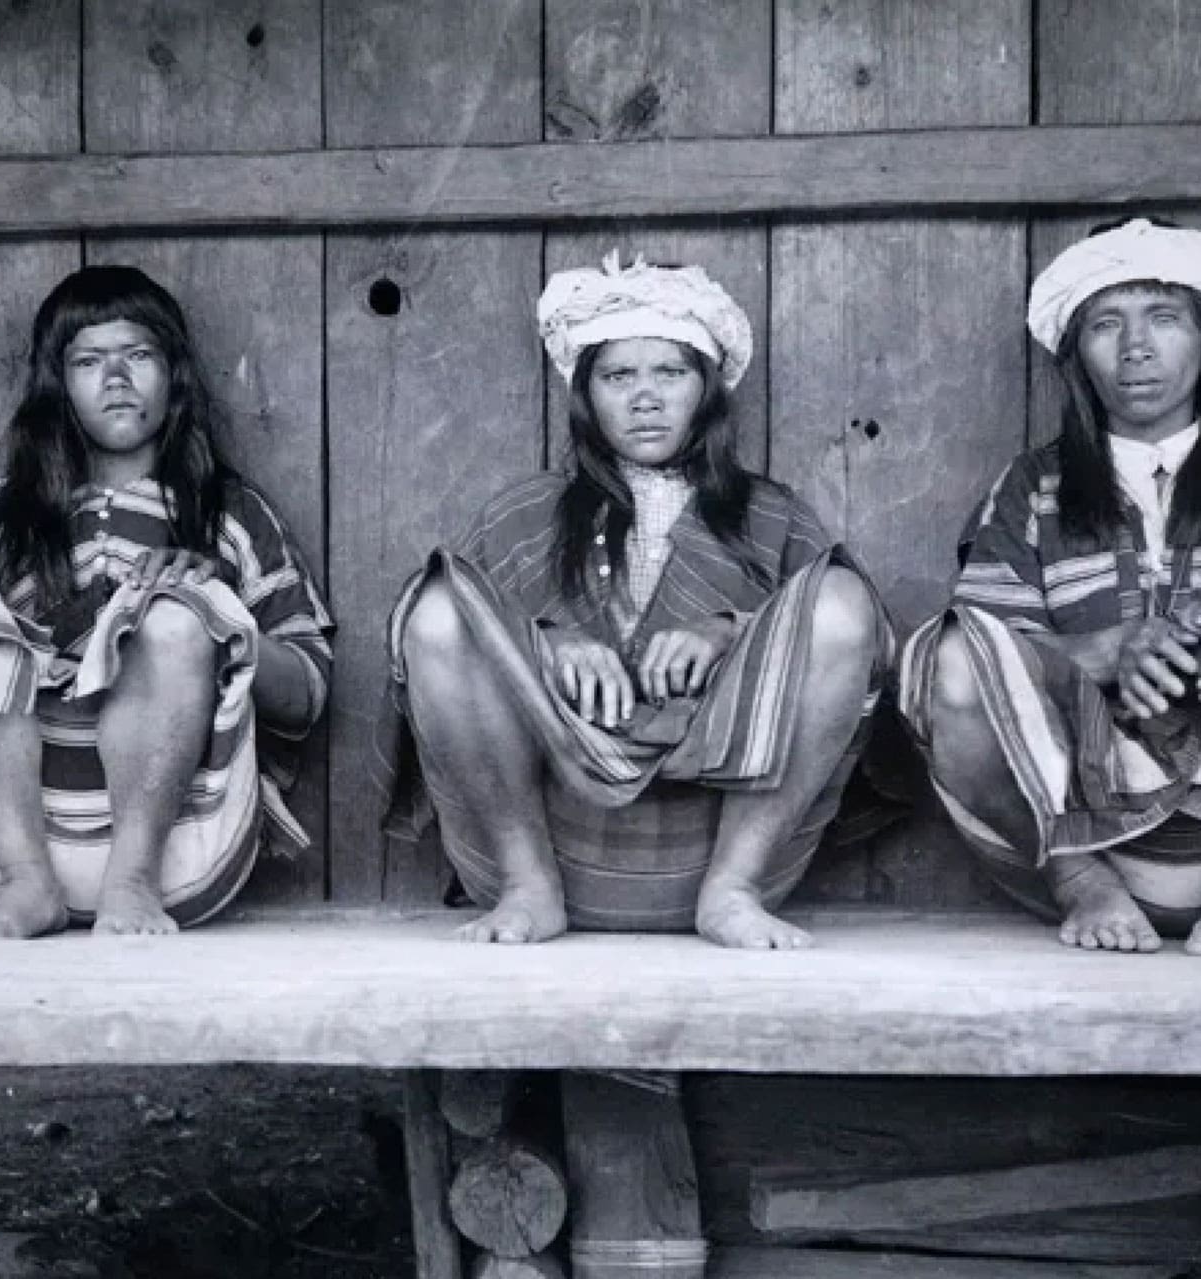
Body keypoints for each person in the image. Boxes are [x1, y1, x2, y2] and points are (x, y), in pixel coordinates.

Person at [900, 217, 1201, 956]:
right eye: (1106, 324)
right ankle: (1081, 884)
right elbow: (986, 661)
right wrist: (1102, 649)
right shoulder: (1033, 486)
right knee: (951, 660)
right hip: (1069, 836)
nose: (1136, 348)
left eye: (1164, 317)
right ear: (1078, 357)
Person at [376, 253, 889, 948]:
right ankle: (531, 886)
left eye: (670, 373)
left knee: (843, 598)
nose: (644, 397)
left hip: (715, 851)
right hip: (547, 846)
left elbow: (866, 653)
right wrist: (545, 643)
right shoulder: (523, 515)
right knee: (435, 609)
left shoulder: (773, 517)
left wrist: (729, 632)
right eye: (618, 376)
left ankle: (730, 892)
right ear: (587, 395)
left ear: (706, 391)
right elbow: (444, 653)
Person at [0, 265, 333, 939]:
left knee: (176, 616)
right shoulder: (6, 517)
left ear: (174, 373)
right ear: (57, 387)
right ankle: (27, 883)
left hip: (182, 844)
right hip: (23, 838)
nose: (116, 379)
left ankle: (130, 879)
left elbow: (308, 692)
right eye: (88, 361)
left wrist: (215, 612)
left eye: (138, 355)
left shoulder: (228, 514)